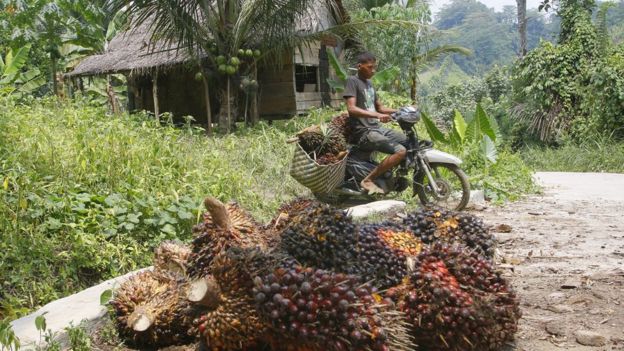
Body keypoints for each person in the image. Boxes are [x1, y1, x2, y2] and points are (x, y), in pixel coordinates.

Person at [343, 52, 407, 195]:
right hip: (364, 132)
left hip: (377, 128)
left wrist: (403, 110)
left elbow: (381, 108)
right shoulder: (352, 81)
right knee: (400, 150)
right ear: (360, 66)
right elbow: (351, 108)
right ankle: (368, 180)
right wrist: (378, 115)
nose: (373, 71)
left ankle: (391, 176)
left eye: (374, 67)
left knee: (408, 141)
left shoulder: (370, 84)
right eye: (370, 67)